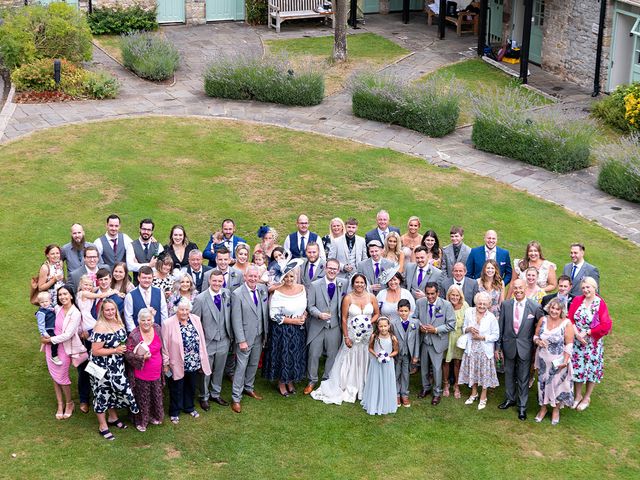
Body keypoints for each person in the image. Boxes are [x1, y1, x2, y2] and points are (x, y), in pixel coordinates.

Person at [311, 273, 380, 404]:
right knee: (350, 358)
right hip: (352, 335)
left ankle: (365, 386)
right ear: (353, 284)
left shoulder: (371, 297)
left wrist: (368, 322)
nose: (359, 285)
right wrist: (346, 336)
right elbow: (343, 318)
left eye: (362, 282)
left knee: (366, 357)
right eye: (357, 282)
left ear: (365, 284)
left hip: (367, 335)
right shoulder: (348, 298)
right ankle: (349, 385)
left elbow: (377, 313)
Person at [89, 299, 139, 440]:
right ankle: (102, 425)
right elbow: (96, 351)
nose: (110, 312)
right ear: (102, 312)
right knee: (101, 394)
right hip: (100, 367)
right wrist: (115, 350)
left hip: (116, 365)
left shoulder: (118, 322)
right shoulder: (100, 327)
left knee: (114, 390)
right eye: (107, 310)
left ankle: (113, 417)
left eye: (112, 309)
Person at [496, 279, 544, 420]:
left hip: (525, 347)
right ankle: (510, 399)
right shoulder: (506, 305)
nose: (517, 290)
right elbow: (501, 326)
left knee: (523, 378)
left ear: (525, 288)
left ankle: (522, 406)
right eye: (515, 288)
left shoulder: (534, 306)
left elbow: (540, 326)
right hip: (508, 345)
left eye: (520, 288)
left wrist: (537, 342)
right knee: (509, 374)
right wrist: (498, 347)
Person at [40, 285, 87, 420]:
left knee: (62, 377)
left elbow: (68, 334)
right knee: (54, 377)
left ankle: (69, 403)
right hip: (51, 348)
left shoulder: (75, 313)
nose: (63, 297)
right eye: (60, 295)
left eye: (65, 294)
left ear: (71, 295)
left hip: (64, 348)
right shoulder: (56, 308)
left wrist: (50, 340)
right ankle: (60, 404)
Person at [263, 259, 308, 396]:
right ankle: (282, 383)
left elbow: (304, 307)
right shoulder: (277, 292)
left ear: (295, 277)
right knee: (283, 356)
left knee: (295, 355)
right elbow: (273, 315)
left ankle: (290, 381)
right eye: (286, 276)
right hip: (282, 330)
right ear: (282, 277)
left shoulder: (302, 288)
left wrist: (304, 317)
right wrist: (293, 321)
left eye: (291, 276)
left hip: (298, 330)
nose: (289, 279)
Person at [162, 298, 211, 424]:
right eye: (181, 309)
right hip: (176, 361)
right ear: (176, 310)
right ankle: (174, 411)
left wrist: (201, 359)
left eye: (186, 309)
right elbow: (165, 345)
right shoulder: (168, 323)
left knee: (191, 385)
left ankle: (189, 407)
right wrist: (166, 363)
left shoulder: (195, 319)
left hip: (193, 361)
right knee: (176, 387)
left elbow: (201, 338)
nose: (184, 312)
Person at [568, 276, 612, 412]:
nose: (586, 290)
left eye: (588, 287)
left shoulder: (600, 303)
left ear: (594, 288)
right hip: (577, 342)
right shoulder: (577, 300)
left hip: (592, 344)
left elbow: (606, 325)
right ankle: (577, 395)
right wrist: (576, 334)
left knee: (591, 369)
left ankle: (587, 397)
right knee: (578, 369)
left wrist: (587, 332)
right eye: (583, 288)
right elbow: (570, 318)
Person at [230, 266, 269, 413]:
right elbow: (236, 319)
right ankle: (236, 398)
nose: (253, 279)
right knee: (241, 367)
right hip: (245, 337)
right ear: (245, 277)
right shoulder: (237, 294)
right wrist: (241, 340)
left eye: (255, 276)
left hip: (259, 335)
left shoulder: (262, 289)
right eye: (250, 276)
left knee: (253, 364)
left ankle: (249, 387)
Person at [192, 269, 233, 410]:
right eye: (214, 280)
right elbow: (196, 323)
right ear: (209, 280)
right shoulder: (200, 299)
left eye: (219, 281)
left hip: (224, 339)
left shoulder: (227, 294)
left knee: (219, 369)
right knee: (205, 371)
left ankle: (216, 393)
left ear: (223, 281)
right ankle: (204, 396)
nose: (217, 283)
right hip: (207, 341)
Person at [305, 259, 346, 394]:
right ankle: (312, 380)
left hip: (334, 326)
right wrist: (319, 314)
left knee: (332, 355)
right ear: (325, 268)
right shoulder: (315, 285)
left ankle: (327, 379)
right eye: (330, 268)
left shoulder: (343, 283)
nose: (332, 271)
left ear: (338, 270)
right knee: (313, 354)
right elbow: (310, 306)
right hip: (318, 325)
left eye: (335, 269)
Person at [533, 298, 575, 425]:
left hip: (558, 362)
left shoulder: (566, 323)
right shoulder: (543, 320)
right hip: (543, 360)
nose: (554, 311)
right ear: (548, 308)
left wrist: (566, 361)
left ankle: (556, 410)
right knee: (542, 384)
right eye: (552, 308)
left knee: (556, 385)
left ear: (561, 310)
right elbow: (535, 336)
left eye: (557, 309)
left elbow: (569, 344)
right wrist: (538, 341)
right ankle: (543, 409)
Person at [415, 282, 455, 405]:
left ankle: (437, 393)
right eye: (428, 294)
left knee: (437, 369)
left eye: (433, 294)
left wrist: (436, 330)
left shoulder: (446, 305)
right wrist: (420, 326)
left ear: (438, 293)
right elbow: (414, 318)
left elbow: (451, 324)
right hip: (424, 341)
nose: (430, 296)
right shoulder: (420, 303)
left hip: (437, 341)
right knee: (424, 368)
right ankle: (426, 388)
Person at [459, 291, 500, 410]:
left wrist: (482, 337)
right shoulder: (469, 312)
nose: (481, 306)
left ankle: (483, 396)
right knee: (473, 371)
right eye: (479, 303)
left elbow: (496, 335)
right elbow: (463, 328)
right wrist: (469, 329)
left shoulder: (491, 317)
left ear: (488, 305)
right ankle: (474, 393)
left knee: (484, 374)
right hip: (471, 348)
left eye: (484, 304)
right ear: (475, 303)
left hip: (484, 350)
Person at [124, 309, 164, 432]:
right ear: (138, 321)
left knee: (156, 394)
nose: (146, 322)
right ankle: (142, 421)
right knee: (143, 397)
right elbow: (128, 355)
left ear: (152, 320)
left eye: (149, 320)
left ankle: (154, 416)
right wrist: (141, 357)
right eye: (143, 320)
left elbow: (162, 347)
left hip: (157, 371)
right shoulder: (134, 335)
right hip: (141, 372)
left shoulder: (157, 328)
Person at [361, 317, 399, 415]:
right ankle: (375, 402)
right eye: (381, 326)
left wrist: (387, 356)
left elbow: (396, 351)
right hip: (376, 362)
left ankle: (386, 403)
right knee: (376, 381)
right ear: (377, 327)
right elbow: (370, 348)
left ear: (389, 326)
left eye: (385, 326)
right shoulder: (374, 336)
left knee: (386, 381)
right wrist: (377, 355)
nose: (383, 328)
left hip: (388, 363)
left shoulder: (393, 337)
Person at [390, 299, 420, 407]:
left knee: (406, 374)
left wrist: (416, 356)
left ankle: (404, 394)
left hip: (408, 354)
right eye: (401, 311)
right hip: (397, 354)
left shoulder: (415, 323)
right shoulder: (393, 323)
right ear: (398, 311)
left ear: (410, 311)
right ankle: (396, 394)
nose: (403, 313)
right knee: (396, 374)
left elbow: (416, 340)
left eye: (406, 311)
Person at [443, 285, 469, 399]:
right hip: (446, 337)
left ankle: (457, 385)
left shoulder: (465, 306)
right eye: (452, 295)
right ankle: (445, 384)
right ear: (448, 296)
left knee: (457, 362)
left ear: (460, 296)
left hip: (459, 337)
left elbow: (468, 322)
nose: (454, 297)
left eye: (457, 295)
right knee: (446, 362)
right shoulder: (444, 305)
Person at [124, 266, 168, 332]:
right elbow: (128, 317)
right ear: (138, 278)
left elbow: (164, 313)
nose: (147, 280)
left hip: (157, 333)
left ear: (153, 278)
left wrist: (164, 331)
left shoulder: (159, 292)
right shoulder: (130, 295)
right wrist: (135, 334)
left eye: (149, 278)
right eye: (144, 278)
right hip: (138, 334)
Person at [125, 218, 162, 284]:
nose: (146, 232)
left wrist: (138, 265)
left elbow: (160, 266)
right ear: (140, 229)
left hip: (155, 284)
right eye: (144, 229)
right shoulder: (131, 246)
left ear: (152, 231)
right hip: (137, 285)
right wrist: (149, 265)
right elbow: (130, 266)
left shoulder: (158, 246)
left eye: (149, 230)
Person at [35, 291, 61, 365]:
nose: (44, 303)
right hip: (48, 330)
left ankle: (44, 346)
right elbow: (41, 324)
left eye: (46, 301)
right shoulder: (41, 313)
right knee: (55, 341)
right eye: (42, 302)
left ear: (50, 301)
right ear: (39, 303)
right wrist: (44, 333)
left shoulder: (51, 308)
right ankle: (54, 356)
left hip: (53, 327)